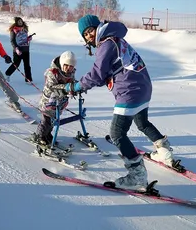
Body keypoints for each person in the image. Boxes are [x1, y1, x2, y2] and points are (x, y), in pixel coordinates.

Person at [66, 14, 174, 190]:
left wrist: (77, 86)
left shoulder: (106, 43)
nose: (89, 36)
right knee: (142, 122)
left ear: (98, 27)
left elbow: (97, 75)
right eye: (85, 34)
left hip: (130, 91)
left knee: (117, 133)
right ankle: (164, 151)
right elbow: (104, 74)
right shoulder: (114, 39)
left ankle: (137, 176)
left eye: (90, 30)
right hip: (143, 88)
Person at [30, 51, 77, 145]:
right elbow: (52, 86)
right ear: (62, 63)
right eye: (66, 65)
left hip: (60, 101)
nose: (69, 68)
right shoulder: (52, 72)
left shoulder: (71, 73)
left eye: (71, 66)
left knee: (54, 120)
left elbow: (71, 82)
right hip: (49, 101)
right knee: (46, 120)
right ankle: (40, 136)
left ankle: (47, 134)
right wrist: (66, 88)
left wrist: (75, 88)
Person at [5, 17, 33, 83]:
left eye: (21, 21)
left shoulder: (25, 29)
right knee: (16, 64)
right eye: (18, 21)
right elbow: (12, 41)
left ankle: (28, 79)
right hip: (18, 50)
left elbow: (25, 38)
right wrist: (16, 48)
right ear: (16, 22)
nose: (20, 22)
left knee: (27, 65)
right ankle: (7, 73)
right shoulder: (13, 30)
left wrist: (28, 38)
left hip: (26, 49)